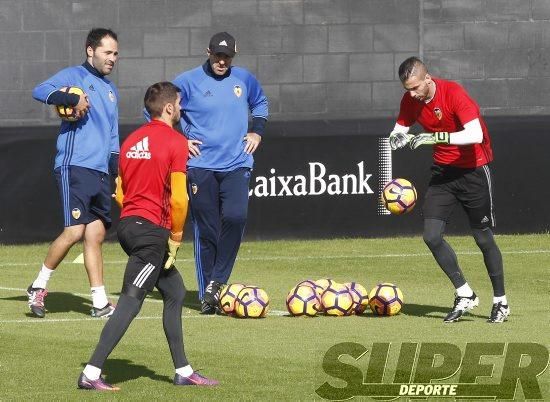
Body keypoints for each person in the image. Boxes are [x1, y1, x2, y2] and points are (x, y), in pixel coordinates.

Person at [78, 82, 218, 391]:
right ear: (169, 108)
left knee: (176, 292)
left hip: (129, 224)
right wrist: (176, 237)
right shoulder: (176, 141)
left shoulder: (130, 142)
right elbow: (180, 199)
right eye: (179, 104)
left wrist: (138, 214)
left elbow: (120, 191)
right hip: (152, 234)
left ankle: (183, 370)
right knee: (131, 301)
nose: (181, 109)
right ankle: (90, 373)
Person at [388, 57, 509, 323]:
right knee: (431, 236)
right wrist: (396, 138)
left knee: (483, 238)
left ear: (428, 78)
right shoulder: (411, 100)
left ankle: (500, 301)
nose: (412, 93)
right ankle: (465, 293)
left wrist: (434, 138)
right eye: (407, 89)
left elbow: (474, 134)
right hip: (443, 173)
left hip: (473, 170)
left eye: (416, 87)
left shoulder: (453, 93)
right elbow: (398, 130)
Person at [172, 32, 269, 314]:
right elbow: (156, 110)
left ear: (234, 55)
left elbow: (261, 104)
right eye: (217, 55)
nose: (222, 61)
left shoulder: (244, 79)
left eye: (227, 56)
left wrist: (257, 131)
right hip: (200, 166)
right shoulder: (187, 81)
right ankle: (207, 295)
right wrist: (180, 141)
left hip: (237, 162)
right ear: (208, 52)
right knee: (207, 228)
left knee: (236, 217)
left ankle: (217, 281)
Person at [28, 28, 120, 318]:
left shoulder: (110, 90)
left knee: (94, 235)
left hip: (100, 172)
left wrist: (115, 172)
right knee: (74, 231)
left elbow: (113, 136)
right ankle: (38, 287)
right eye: (107, 52)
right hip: (74, 166)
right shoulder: (74, 76)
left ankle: (99, 302)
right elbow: (39, 91)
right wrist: (70, 100)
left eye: (116, 53)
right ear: (90, 50)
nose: (113, 58)